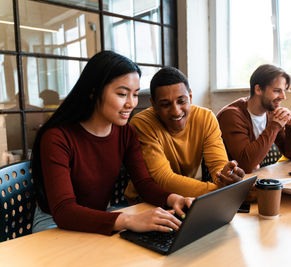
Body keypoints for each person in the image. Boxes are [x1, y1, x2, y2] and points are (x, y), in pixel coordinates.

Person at [31, 51, 193, 236]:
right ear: (94, 91)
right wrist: (128, 220)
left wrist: (174, 199)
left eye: (135, 94)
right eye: (123, 94)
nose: (131, 103)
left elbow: (144, 183)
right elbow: (64, 211)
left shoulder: (126, 132)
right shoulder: (57, 137)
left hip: (100, 216)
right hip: (54, 222)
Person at [124, 66, 245, 200]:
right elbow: (164, 179)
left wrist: (226, 177)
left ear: (190, 97)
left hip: (185, 198)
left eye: (181, 101)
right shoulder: (142, 124)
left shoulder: (205, 118)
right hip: (145, 201)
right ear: (153, 105)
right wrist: (221, 191)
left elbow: (218, 169)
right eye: (165, 104)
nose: (176, 111)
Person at [217, 64, 291, 173]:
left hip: (254, 178)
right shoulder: (231, 115)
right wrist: (275, 126)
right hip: (227, 184)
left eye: (284, 91)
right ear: (258, 89)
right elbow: (246, 165)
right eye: (277, 91)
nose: (283, 97)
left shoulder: (270, 112)